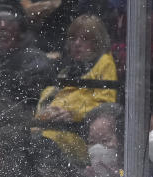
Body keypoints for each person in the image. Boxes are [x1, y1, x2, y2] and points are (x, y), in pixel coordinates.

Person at [33, 14, 117, 166]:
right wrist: (47, 111)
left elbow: (105, 104)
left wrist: (73, 113)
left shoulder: (105, 63)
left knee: (42, 142)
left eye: (85, 39)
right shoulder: (67, 67)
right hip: (52, 126)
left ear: (97, 42)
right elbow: (48, 93)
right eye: (73, 38)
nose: (77, 44)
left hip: (81, 133)